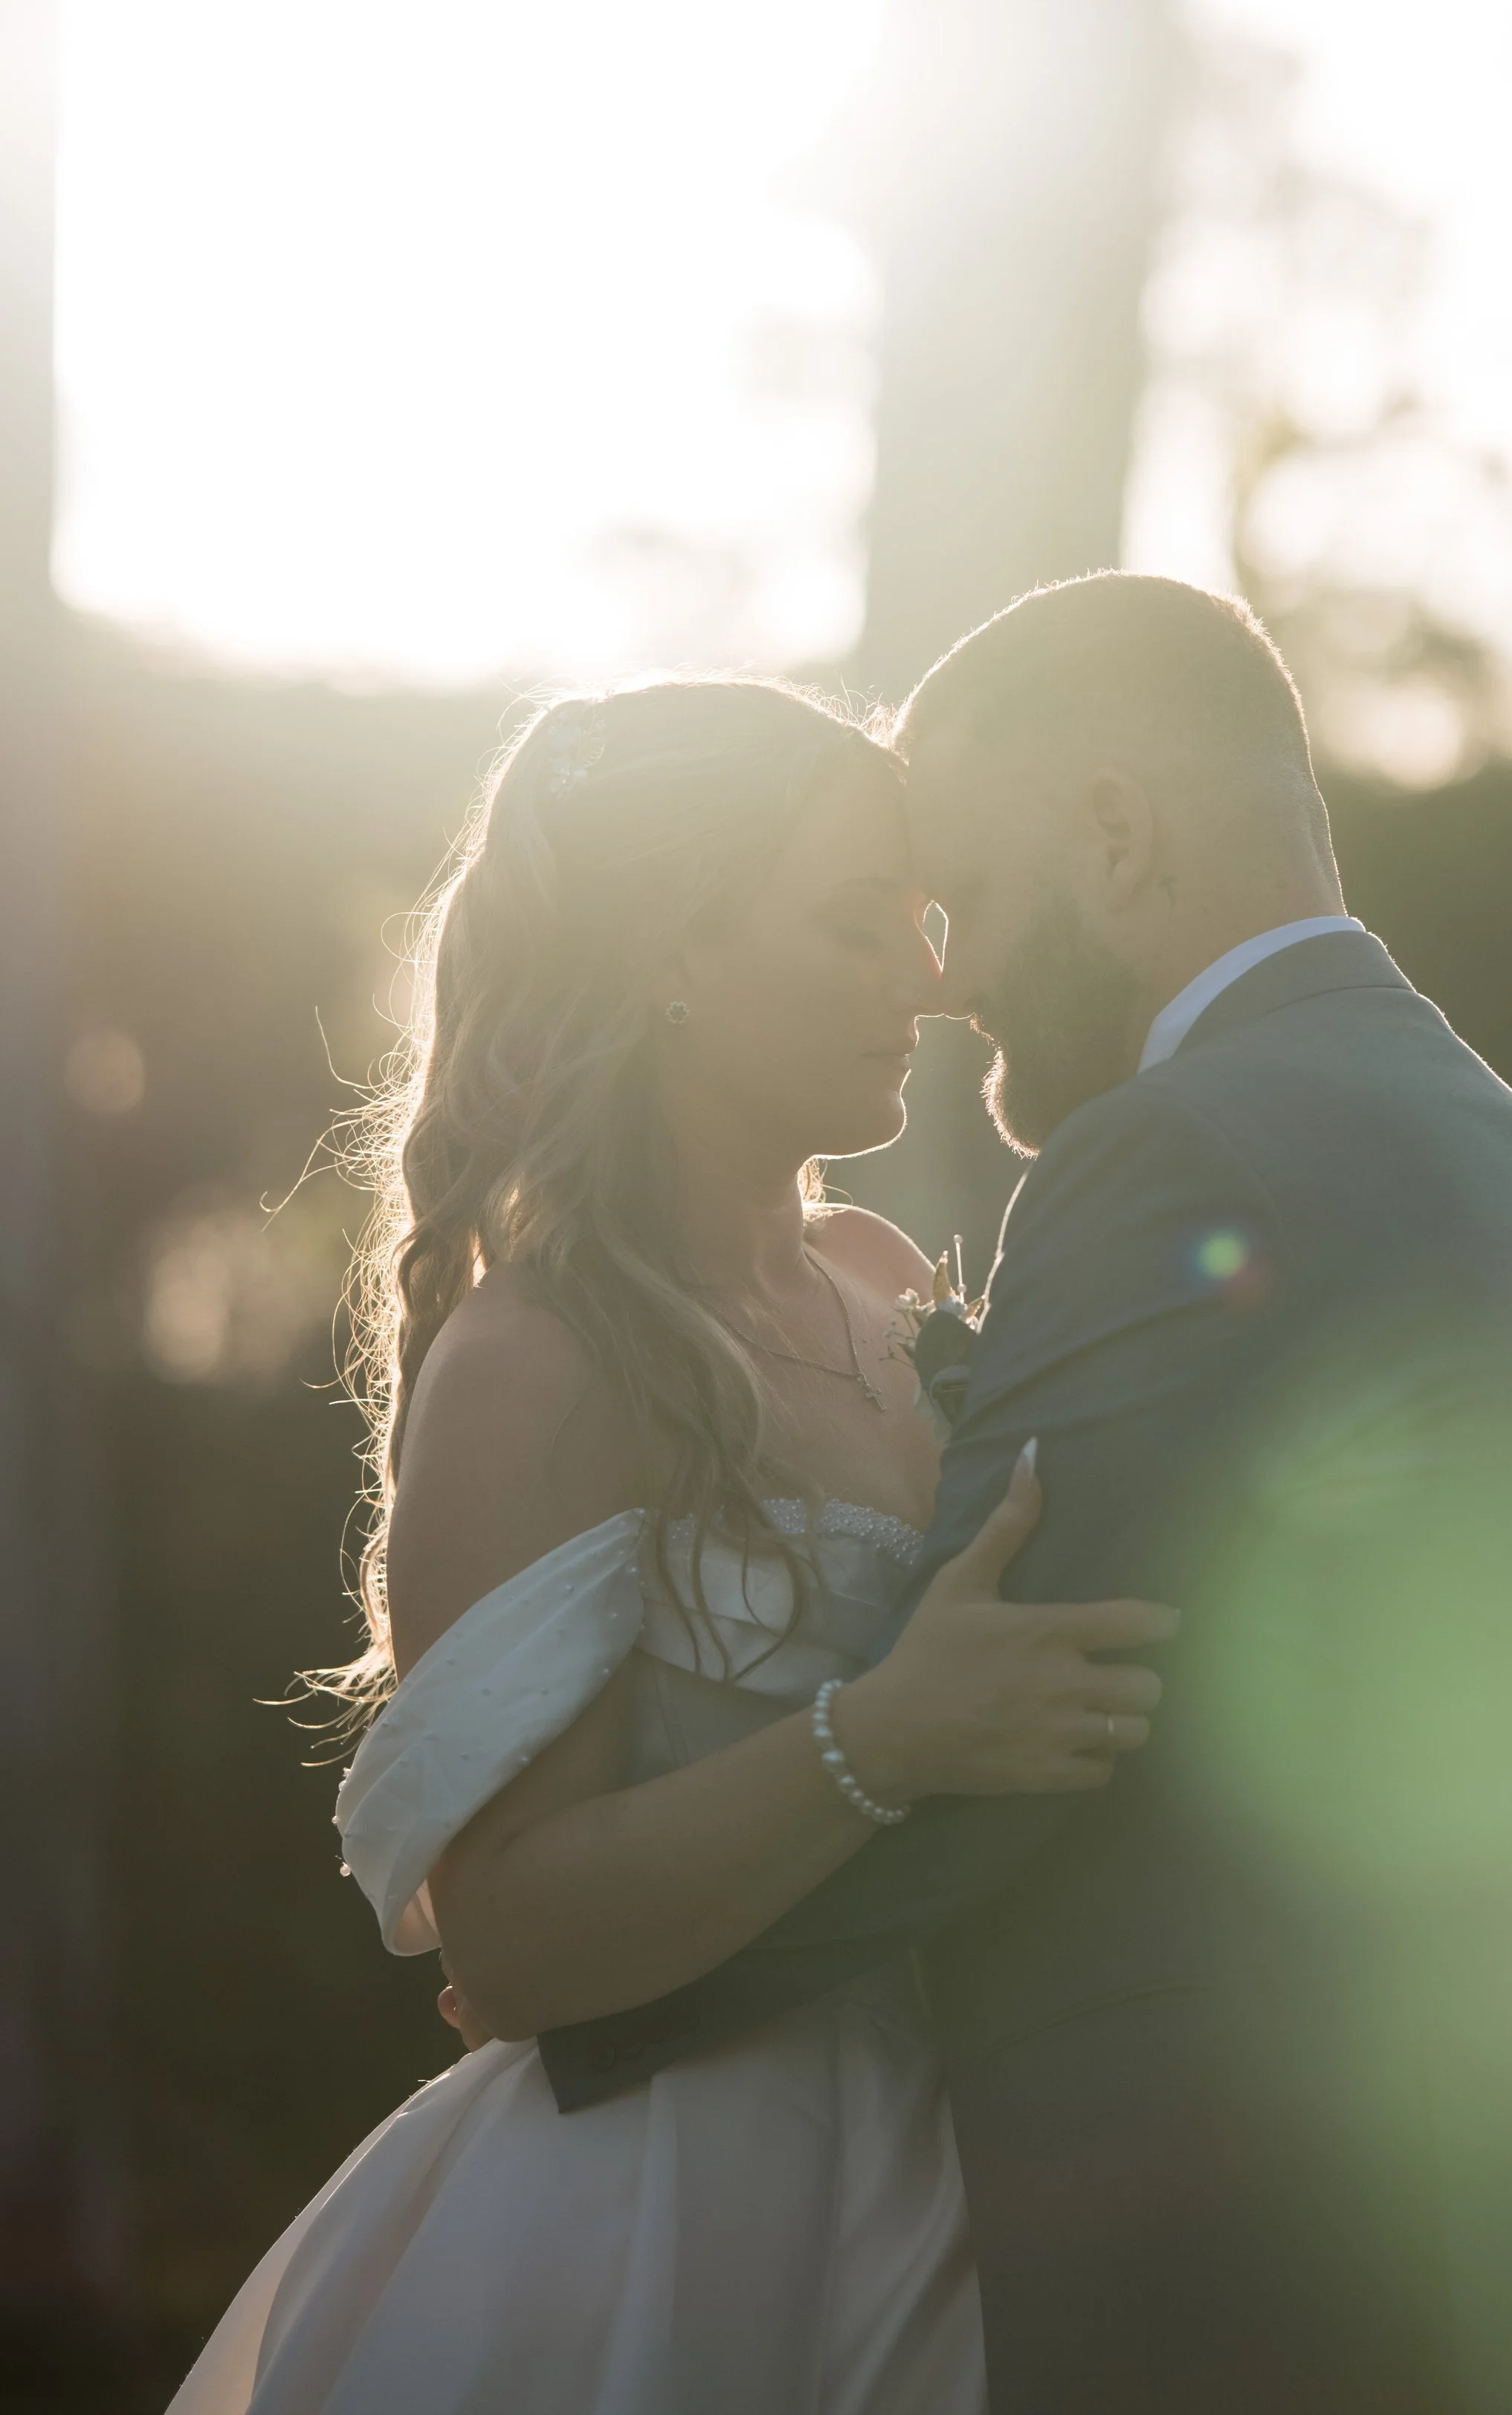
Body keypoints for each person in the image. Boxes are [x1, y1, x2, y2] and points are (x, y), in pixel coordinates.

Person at [543, 573, 1512, 2414]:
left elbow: (1020, 1708)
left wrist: (601, 1982)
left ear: (1111, 834)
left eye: (968, 905)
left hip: (1243, 2258)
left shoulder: (1185, 1148)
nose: (947, 983)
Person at [169, 675, 1179, 2415]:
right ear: (670, 955)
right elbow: (513, 1947)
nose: (928, 979)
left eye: (925, 918)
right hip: (670, 2216)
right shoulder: (538, 1362)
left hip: (959, 2182)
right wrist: (884, 1736)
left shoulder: (877, 1276)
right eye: (858, 925)